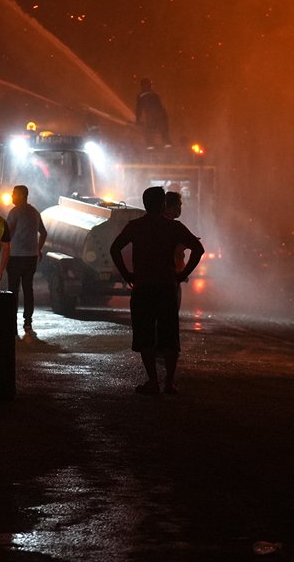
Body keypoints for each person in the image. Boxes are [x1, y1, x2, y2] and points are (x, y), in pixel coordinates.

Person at [110, 186, 205, 396]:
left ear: (145, 204)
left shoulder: (135, 226)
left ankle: (152, 381)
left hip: (143, 288)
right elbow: (198, 250)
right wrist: (181, 274)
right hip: (166, 288)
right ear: (163, 204)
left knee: (145, 335)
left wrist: (128, 275)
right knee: (170, 336)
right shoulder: (173, 227)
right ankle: (169, 382)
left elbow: (114, 248)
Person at [5, 185, 48, 332]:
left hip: (16, 256)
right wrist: (38, 249)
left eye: (14, 194)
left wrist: (2, 249)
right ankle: (28, 321)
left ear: (22, 195)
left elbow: (7, 234)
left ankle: (11, 320)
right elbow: (43, 233)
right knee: (28, 289)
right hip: (31, 258)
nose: (12, 196)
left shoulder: (14, 212)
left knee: (12, 290)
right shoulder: (35, 212)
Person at [135, 77, 171, 149]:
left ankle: (151, 148)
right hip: (162, 116)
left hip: (153, 117)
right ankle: (168, 146)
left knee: (149, 133)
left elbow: (139, 109)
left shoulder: (141, 96)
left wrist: (138, 120)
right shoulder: (155, 94)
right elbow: (161, 107)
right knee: (164, 133)